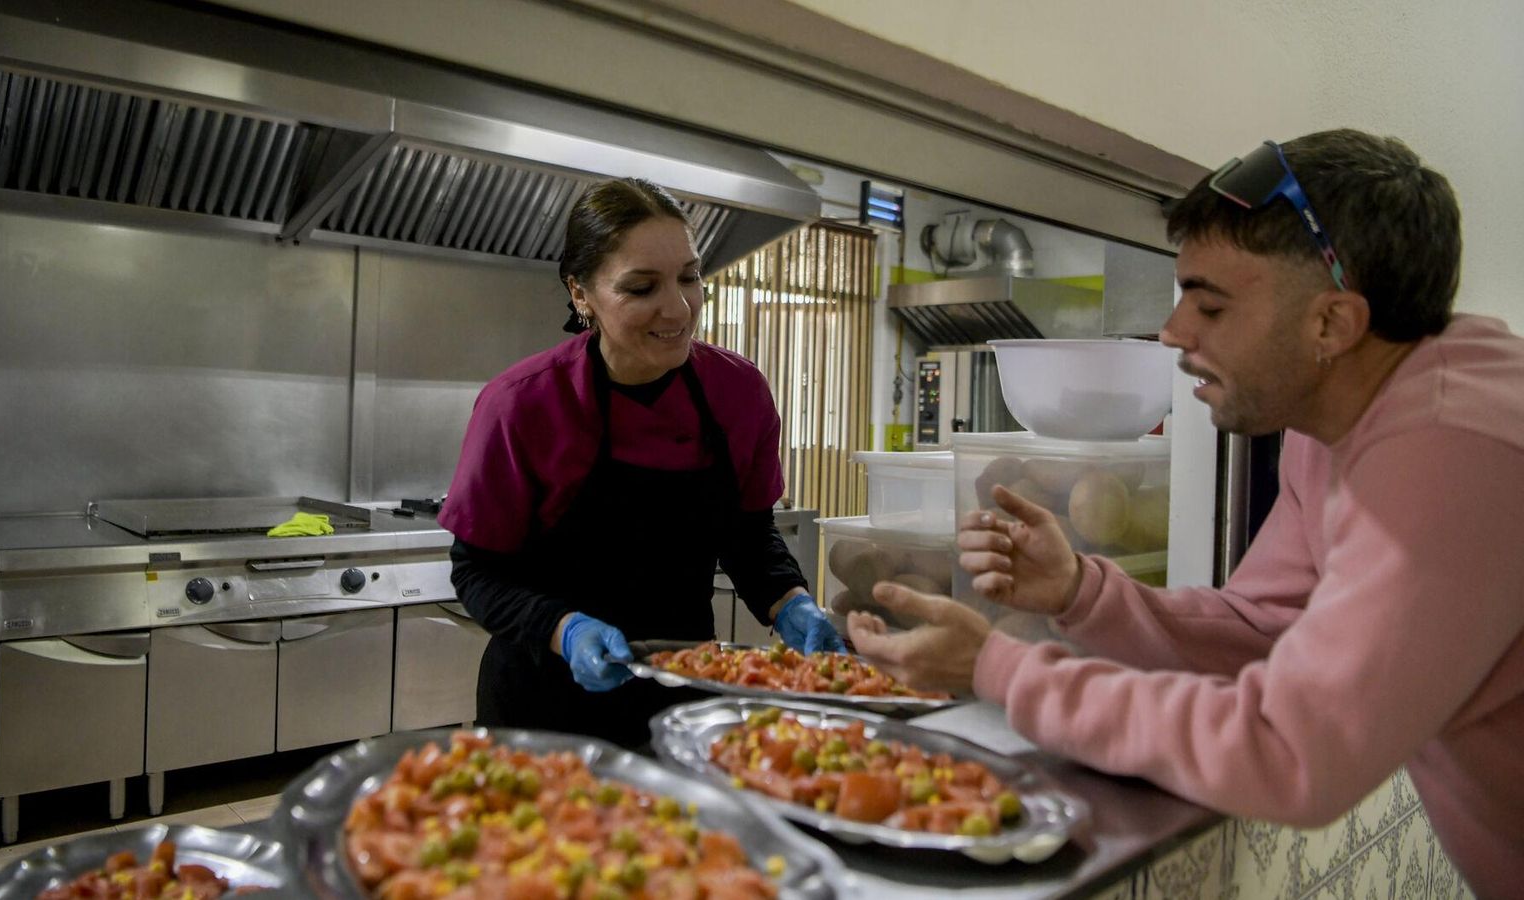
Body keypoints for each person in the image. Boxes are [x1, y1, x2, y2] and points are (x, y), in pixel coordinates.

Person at [849, 129, 1524, 896]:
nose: (1172, 335)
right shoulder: (1338, 431)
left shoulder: (1453, 449)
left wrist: (1000, 668)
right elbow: (1266, 629)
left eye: (1210, 305)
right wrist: (1084, 594)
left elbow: (1289, 751)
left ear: (1331, 325)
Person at [437, 177, 842, 748]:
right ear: (582, 295)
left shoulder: (737, 393)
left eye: (689, 277)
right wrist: (564, 629)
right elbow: (477, 571)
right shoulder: (523, 404)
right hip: (542, 710)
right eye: (641, 287)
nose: (677, 307)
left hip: (682, 703)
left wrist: (791, 601)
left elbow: (749, 536)